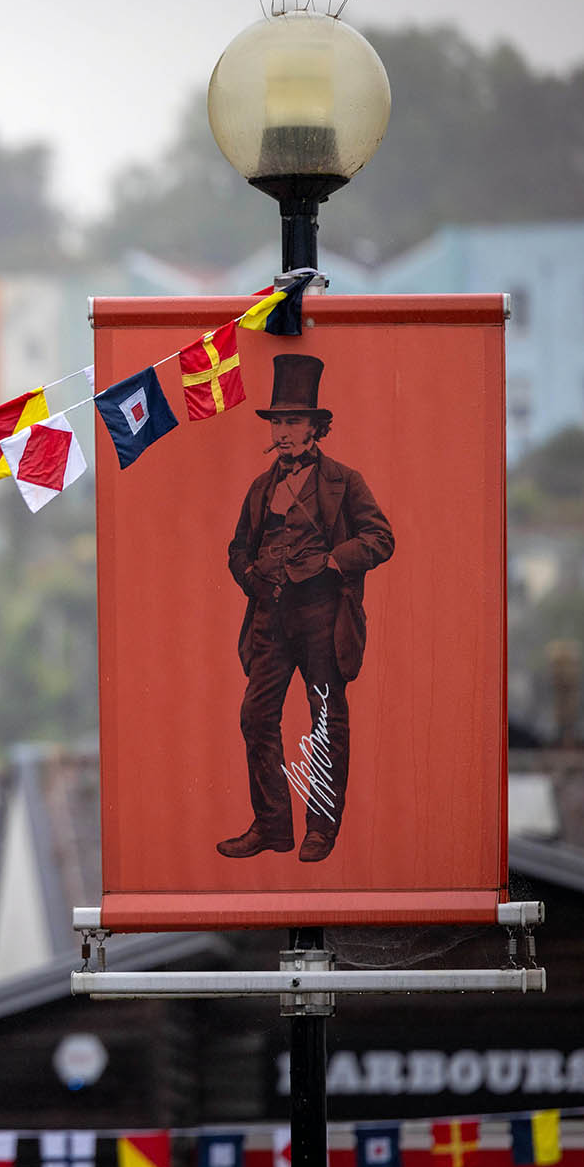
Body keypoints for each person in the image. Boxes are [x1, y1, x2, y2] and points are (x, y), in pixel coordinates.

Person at [219, 354, 394, 863]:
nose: (283, 432)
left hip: (322, 619)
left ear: (317, 427)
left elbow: (380, 539)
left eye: (293, 421)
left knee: (325, 722)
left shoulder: (345, 481)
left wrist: (335, 562)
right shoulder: (261, 488)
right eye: (277, 421)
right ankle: (272, 826)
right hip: (269, 621)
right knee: (256, 718)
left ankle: (322, 829)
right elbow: (236, 550)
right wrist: (250, 578)